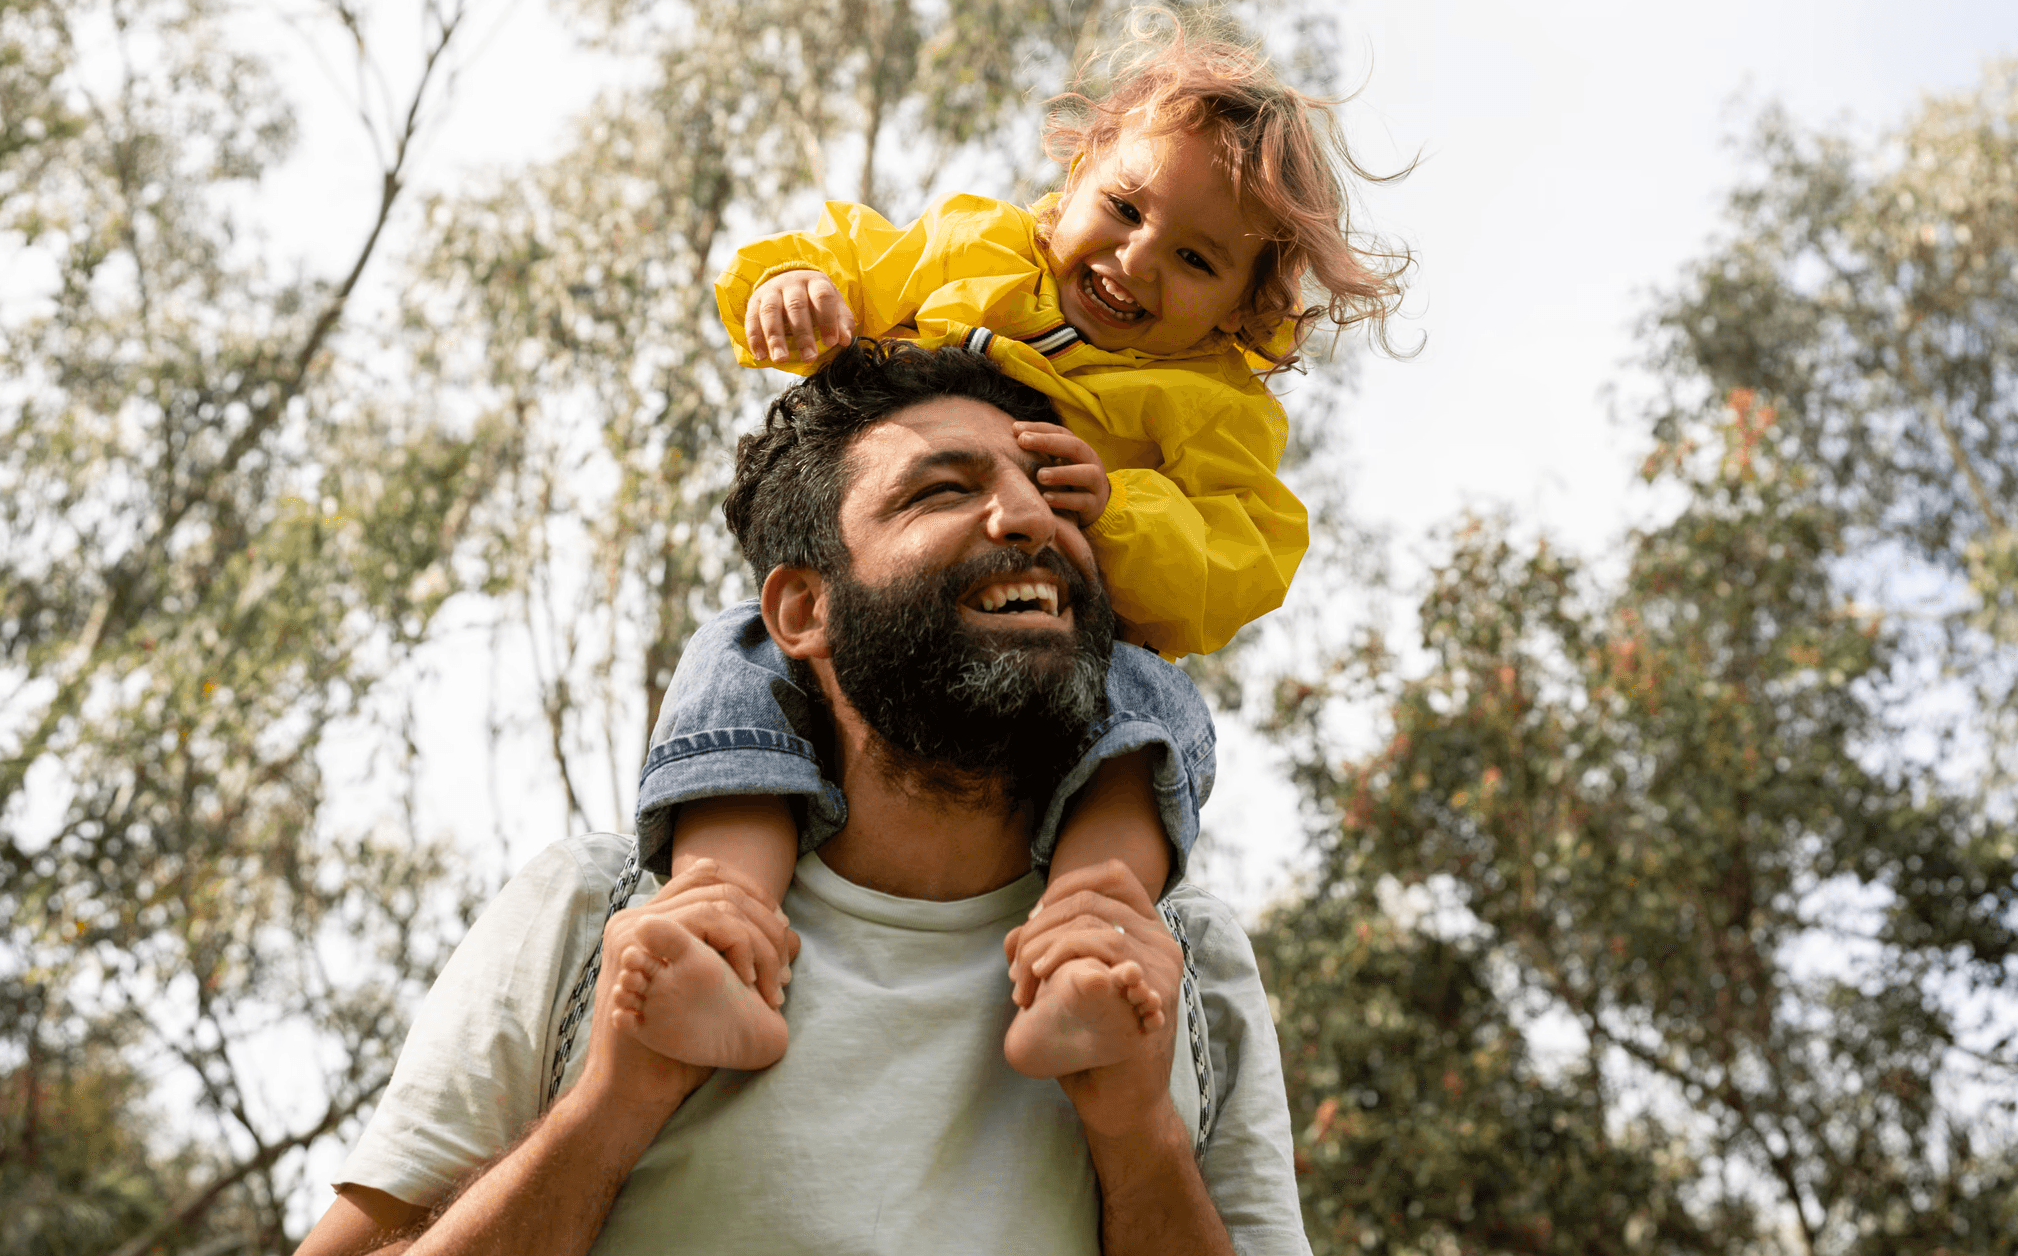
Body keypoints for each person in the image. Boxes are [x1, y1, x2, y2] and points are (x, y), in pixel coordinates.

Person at [297, 342, 1306, 1255]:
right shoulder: (599, 919)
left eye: (1054, 492)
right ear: (802, 609)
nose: (1031, 518)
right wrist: (611, 1102)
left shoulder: (1185, 968)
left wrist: (1140, 1137)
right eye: (940, 491)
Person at [637, 8, 1411, 1080]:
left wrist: (1121, 507)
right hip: (894, 622)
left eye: (1193, 259)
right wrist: (789, 287)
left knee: (1154, 714)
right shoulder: (974, 248)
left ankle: (1090, 939)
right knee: (742, 655)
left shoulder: (1212, 406)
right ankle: (718, 916)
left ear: (1246, 306)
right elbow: (854, 253)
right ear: (1078, 171)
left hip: (1071, 658)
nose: (1138, 261)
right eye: (1125, 208)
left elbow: (1247, 553)